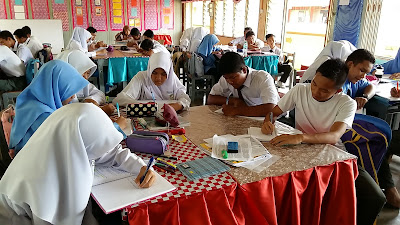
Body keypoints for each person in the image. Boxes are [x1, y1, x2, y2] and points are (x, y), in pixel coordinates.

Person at [262, 58, 386, 225]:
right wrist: (268, 121)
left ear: (338, 90)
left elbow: (334, 136)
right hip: (300, 152)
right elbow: (274, 112)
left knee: (375, 196)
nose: (315, 92)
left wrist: (301, 137)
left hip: (334, 156)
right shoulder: (300, 89)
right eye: (314, 84)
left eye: (324, 90)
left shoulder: (346, 103)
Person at [0, 103, 155, 225]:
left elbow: (110, 152)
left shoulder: (67, 143)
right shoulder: (42, 178)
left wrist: (140, 167)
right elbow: (53, 218)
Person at [8, 60, 89, 155]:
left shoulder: (28, 102)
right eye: (69, 91)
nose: (73, 96)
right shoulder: (45, 116)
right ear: (56, 87)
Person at [207, 52, 279, 117]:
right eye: (226, 78)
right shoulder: (227, 78)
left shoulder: (262, 78)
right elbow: (211, 99)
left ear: (244, 70)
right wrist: (234, 101)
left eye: (233, 77)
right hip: (245, 117)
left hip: (269, 120)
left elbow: (272, 108)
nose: (230, 81)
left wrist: (236, 111)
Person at [113, 52, 190, 111]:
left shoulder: (172, 79)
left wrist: (178, 105)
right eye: (154, 73)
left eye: (163, 74)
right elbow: (120, 99)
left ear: (169, 73)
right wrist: (146, 106)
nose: (158, 78)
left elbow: (185, 99)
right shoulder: (142, 77)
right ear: (150, 69)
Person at [56, 49, 115, 115]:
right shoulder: (62, 89)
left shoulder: (82, 83)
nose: (86, 77)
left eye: (88, 73)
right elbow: (74, 113)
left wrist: (91, 100)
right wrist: (100, 111)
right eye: (83, 72)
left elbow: (100, 94)